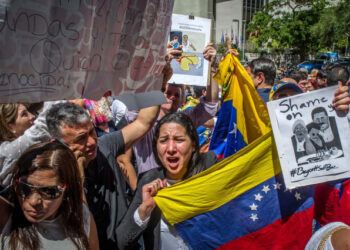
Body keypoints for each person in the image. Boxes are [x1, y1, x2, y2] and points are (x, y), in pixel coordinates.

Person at [46, 102, 160, 250]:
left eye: (92, 132)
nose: (92, 142)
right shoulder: (51, 181)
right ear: (57, 144)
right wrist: (77, 179)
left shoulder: (104, 146)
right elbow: (80, 229)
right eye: (81, 138)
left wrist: (157, 81)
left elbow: (144, 122)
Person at [116, 113, 221, 249]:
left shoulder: (211, 170)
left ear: (194, 144)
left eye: (179, 140)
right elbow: (122, 242)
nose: (171, 149)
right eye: (164, 140)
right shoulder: (149, 180)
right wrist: (143, 211)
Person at [118, 42, 219, 176]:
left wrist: (212, 67)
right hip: (150, 189)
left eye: (177, 95)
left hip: (179, 188)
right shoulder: (142, 122)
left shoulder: (185, 120)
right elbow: (134, 105)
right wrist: (160, 65)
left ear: (182, 101)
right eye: (167, 93)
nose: (172, 97)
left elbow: (210, 106)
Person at [0, 141, 99, 249]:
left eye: (49, 191)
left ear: (66, 189)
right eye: (25, 188)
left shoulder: (81, 217)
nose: (33, 201)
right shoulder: (6, 217)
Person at [0, 102, 58, 187]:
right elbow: (41, 129)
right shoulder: (6, 151)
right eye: (24, 114)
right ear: (10, 126)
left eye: (28, 111)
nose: (32, 116)